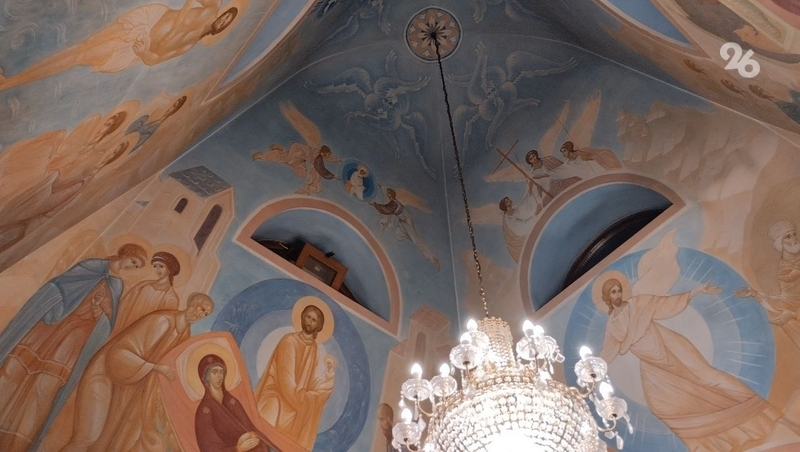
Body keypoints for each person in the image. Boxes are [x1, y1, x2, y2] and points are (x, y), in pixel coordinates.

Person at [598, 274, 798, 449]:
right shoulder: (612, 326)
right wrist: (591, 373)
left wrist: (698, 290)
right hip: (653, 365)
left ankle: (772, 415)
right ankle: (710, 445)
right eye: (613, 292)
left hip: (670, 348)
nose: (618, 294)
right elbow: (608, 351)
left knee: (709, 379)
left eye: (619, 290)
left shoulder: (638, 304)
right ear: (607, 298)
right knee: (661, 405)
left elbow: (665, 304)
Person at [0, 243, 148, 452]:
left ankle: (17, 443)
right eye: (134, 262)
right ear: (126, 254)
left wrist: (98, 308)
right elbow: (57, 288)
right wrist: (60, 308)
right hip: (51, 329)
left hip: (75, 338)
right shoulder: (91, 266)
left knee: (46, 387)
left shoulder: (117, 285)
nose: (132, 268)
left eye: (136, 267)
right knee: (13, 370)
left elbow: (106, 321)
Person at [59, 293, 214, 452]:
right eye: (201, 309)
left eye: (206, 314)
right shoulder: (162, 321)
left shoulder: (184, 335)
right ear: (192, 303)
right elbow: (119, 354)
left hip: (128, 388)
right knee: (88, 436)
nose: (201, 315)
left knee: (108, 443)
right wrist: (154, 367)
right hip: (106, 374)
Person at [0, 0, 239, 92]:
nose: (223, 20)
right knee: (79, 49)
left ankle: (11, 82)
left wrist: (143, 51)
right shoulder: (211, 9)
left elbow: (154, 59)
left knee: (77, 57)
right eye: (226, 16)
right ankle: (11, 80)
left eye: (226, 23)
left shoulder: (188, 45)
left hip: (136, 45)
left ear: (220, 30)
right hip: (149, 18)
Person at [255, 304, 334, 449]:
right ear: (303, 318)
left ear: (318, 326)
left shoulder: (314, 349)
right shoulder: (289, 342)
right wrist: (303, 401)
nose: (309, 322)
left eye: (314, 320)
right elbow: (286, 380)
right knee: (268, 419)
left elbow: (310, 381)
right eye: (308, 317)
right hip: (277, 394)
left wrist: (324, 385)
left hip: (294, 399)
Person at [737, 220, 800, 347]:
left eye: (794, 234)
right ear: (780, 243)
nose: (794, 239)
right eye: (788, 236)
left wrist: (792, 314)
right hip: (794, 306)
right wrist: (755, 294)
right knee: (778, 315)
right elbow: (788, 300)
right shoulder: (784, 268)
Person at [196, 354, 273, 452]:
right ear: (206, 377)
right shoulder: (204, 410)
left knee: (262, 445)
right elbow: (209, 448)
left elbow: (249, 427)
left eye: (221, 372)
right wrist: (238, 448)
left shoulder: (231, 401)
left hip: (246, 446)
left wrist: (252, 435)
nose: (219, 376)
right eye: (214, 372)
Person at [369, 187, 441, 271]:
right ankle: (430, 257)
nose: (388, 195)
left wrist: (374, 204)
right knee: (403, 235)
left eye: (389, 193)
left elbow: (386, 209)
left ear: (392, 194)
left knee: (416, 240)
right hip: (403, 221)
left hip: (406, 221)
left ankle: (432, 258)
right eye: (388, 193)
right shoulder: (393, 202)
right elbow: (387, 206)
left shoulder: (394, 204)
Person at [113, 250, 182, 336]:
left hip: (143, 335)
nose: (158, 270)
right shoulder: (143, 285)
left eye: (161, 266)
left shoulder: (171, 298)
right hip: (126, 327)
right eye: (155, 266)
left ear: (170, 269)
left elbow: (163, 324)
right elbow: (125, 304)